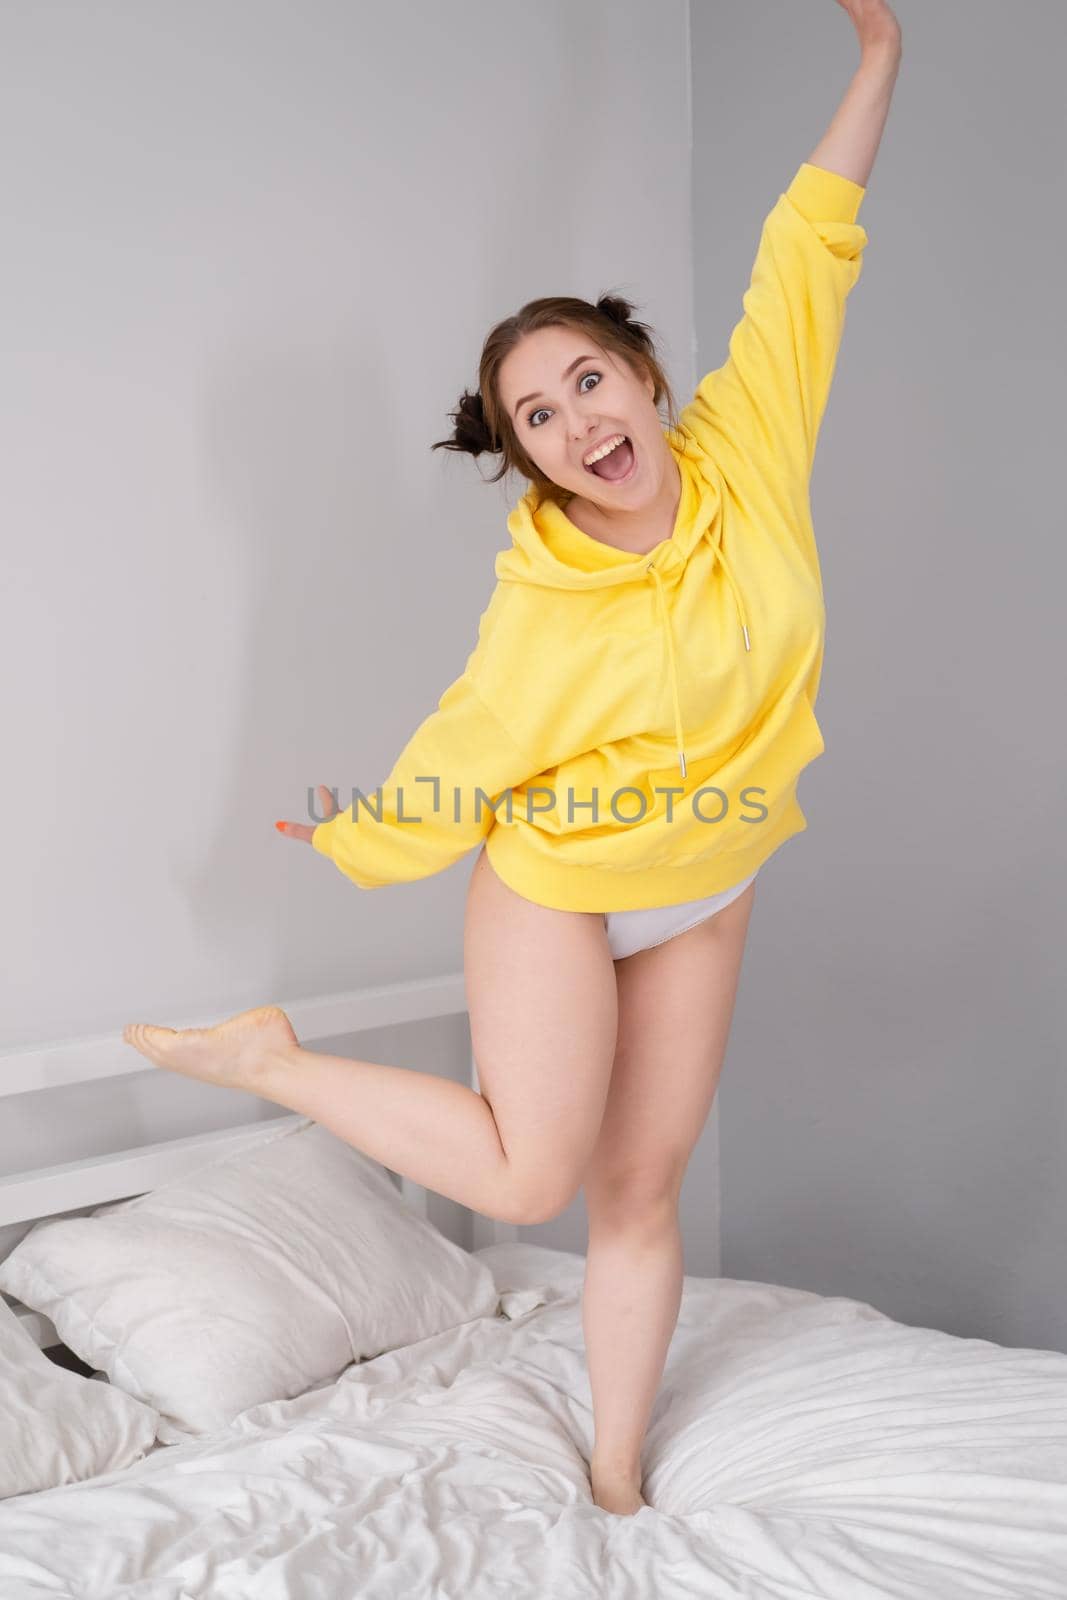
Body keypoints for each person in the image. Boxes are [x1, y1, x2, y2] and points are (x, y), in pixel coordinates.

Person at [123, 0, 903, 1518]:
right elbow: (472, 748)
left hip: (713, 870)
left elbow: (810, 240)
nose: (571, 423)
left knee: (639, 1194)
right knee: (529, 1179)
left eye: (586, 383)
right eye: (536, 420)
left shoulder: (752, 445)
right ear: (530, 458)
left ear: (646, 375)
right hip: (561, 880)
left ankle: (615, 1486)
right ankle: (275, 1058)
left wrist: (879, 58)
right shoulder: (544, 600)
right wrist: (356, 832)